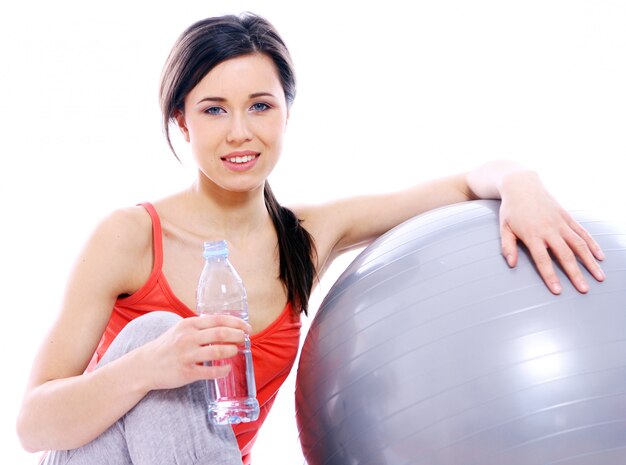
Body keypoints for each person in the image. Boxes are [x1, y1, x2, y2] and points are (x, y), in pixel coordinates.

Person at [16, 12, 606, 465]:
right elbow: (34, 426)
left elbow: (460, 184)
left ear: (286, 116)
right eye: (215, 109)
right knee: (155, 331)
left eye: (260, 106)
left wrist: (521, 182)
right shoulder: (130, 235)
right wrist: (150, 366)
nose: (240, 132)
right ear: (182, 121)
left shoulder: (305, 238)